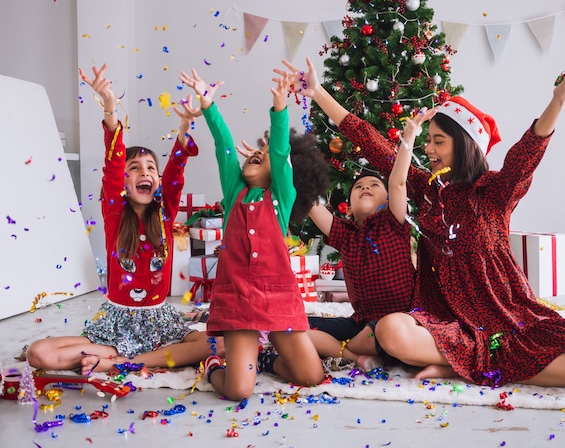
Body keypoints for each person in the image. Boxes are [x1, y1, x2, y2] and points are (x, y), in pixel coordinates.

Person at [285, 53, 565, 388]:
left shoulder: (495, 191)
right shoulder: (426, 190)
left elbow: (526, 153)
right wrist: (318, 93)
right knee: (390, 331)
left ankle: (467, 366)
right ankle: (476, 363)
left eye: (437, 141)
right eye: (427, 140)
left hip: (504, 314)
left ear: (466, 144)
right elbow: (372, 142)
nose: (427, 148)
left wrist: (558, 100)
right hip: (445, 322)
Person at [27, 63, 215, 375]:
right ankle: (117, 357)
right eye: (136, 168)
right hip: (117, 325)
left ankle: (123, 364)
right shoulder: (114, 212)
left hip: (159, 324)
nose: (145, 173)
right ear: (124, 185)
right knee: (39, 353)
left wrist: (183, 130)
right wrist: (111, 108)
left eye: (151, 167)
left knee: (218, 344)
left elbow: (175, 174)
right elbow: (112, 165)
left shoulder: (165, 212)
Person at [178, 65, 328, 401]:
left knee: (311, 376)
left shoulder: (281, 198)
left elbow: (279, 150)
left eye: (263, 155)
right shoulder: (235, 193)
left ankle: (266, 359)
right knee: (238, 391)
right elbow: (224, 146)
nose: (256, 155)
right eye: (253, 155)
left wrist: (278, 107)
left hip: (279, 299)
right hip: (238, 300)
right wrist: (208, 106)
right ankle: (216, 365)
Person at [305, 102, 433, 370]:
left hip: (399, 320)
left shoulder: (394, 222)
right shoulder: (344, 233)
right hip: (361, 322)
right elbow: (310, 204)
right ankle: (357, 356)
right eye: (359, 186)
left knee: (373, 334)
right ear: (348, 207)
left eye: (375, 185)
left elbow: (398, 181)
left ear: (388, 200)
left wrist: (408, 139)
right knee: (296, 325)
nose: (365, 186)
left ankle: (353, 350)